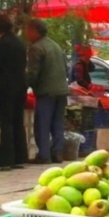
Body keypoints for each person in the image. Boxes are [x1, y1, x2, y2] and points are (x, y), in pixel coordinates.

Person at [0, 14, 28, 171]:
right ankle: (19, 158)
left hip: (5, 89)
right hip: (20, 86)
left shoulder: (0, 46)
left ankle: (5, 160)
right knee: (17, 122)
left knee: (6, 123)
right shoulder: (20, 44)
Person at [25, 19, 69, 164]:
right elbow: (66, 68)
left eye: (28, 30)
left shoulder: (36, 48)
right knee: (57, 122)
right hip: (61, 90)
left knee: (42, 124)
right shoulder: (56, 46)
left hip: (46, 91)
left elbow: (33, 73)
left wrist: (25, 85)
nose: (26, 33)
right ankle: (57, 152)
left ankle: (43, 154)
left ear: (34, 31)